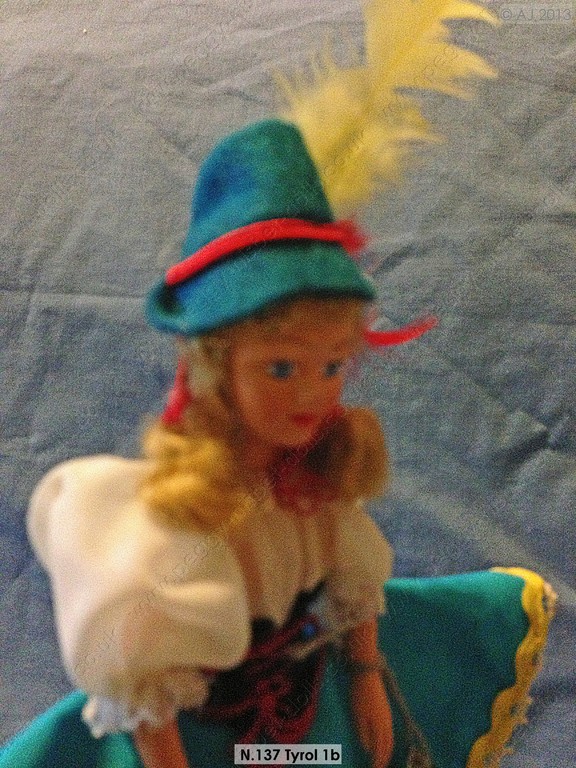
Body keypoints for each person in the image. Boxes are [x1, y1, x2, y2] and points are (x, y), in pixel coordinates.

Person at [0, 3, 555, 768]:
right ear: (214, 364)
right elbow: (150, 693)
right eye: (282, 367)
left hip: (310, 709)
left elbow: (351, 583)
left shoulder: (315, 484)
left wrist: (367, 678)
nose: (311, 394)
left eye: (333, 366)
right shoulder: (169, 528)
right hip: (203, 733)